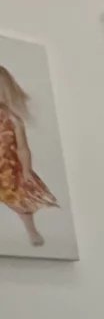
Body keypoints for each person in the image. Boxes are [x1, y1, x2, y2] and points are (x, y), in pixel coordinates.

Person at [0, 65, 57, 248]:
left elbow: (23, 148)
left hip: (7, 169)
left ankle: (31, 230)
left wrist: (26, 171)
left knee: (21, 203)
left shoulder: (13, 119)